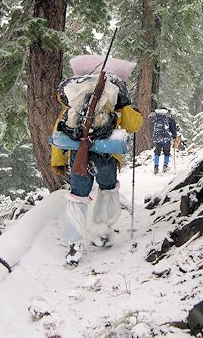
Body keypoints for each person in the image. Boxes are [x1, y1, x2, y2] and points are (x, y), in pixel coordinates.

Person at [50, 55, 143, 267]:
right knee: (108, 189)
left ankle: (74, 246)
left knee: (78, 196)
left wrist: (57, 160)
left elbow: (60, 130)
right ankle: (102, 231)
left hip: (77, 156)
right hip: (105, 156)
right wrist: (132, 108)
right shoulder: (115, 101)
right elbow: (133, 124)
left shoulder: (76, 102)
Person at [148, 108, 177, 174]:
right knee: (166, 152)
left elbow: (151, 125)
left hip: (157, 137)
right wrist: (174, 135)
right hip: (166, 137)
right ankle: (165, 167)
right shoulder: (169, 118)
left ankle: (156, 167)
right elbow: (173, 128)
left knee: (157, 152)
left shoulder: (156, 117)